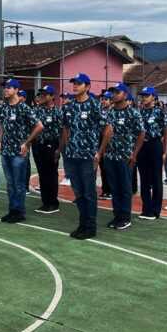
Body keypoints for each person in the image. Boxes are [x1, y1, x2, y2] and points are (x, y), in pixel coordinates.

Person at [59, 73, 108, 239]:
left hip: (88, 156)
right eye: (74, 83)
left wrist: (99, 151)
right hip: (72, 155)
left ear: (87, 86)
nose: (75, 86)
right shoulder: (68, 106)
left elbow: (108, 129)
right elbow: (65, 128)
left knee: (89, 192)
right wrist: (65, 147)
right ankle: (82, 223)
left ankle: (90, 226)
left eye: (79, 84)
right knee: (78, 192)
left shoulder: (95, 105)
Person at [100, 83, 144, 230]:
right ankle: (117, 216)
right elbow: (106, 133)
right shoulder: (110, 112)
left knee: (125, 188)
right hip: (110, 156)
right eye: (112, 92)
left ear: (125, 95)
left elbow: (141, 133)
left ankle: (125, 218)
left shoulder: (133, 113)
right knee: (114, 187)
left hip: (125, 156)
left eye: (117, 92)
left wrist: (134, 154)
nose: (113, 95)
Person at [0, 79, 43, 223]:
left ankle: (19, 212)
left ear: (17, 90)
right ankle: (12, 210)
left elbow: (39, 126)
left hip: (18, 153)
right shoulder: (4, 108)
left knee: (18, 184)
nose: (6, 89)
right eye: (5, 87)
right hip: (6, 151)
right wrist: (0, 140)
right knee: (10, 184)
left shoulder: (24, 108)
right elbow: (2, 125)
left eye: (9, 87)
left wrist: (27, 142)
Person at [137, 86, 167, 218]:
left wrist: (165, 151)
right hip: (142, 146)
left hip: (155, 144)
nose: (143, 98)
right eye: (142, 95)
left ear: (154, 97)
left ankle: (156, 210)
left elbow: (166, 132)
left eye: (146, 95)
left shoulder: (160, 112)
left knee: (156, 178)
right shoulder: (138, 112)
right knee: (144, 179)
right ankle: (146, 209)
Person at [32, 85, 62, 213]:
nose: (41, 97)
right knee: (42, 174)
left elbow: (62, 132)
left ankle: (53, 203)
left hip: (51, 145)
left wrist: (59, 149)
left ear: (52, 97)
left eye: (45, 95)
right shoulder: (37, 110)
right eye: (40, 95)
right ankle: (45, 202)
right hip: (38, 145)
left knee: (51, 174)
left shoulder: (57, 112)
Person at [18, 89, 33, 193]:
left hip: (25, 140)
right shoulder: (15, 108)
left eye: (20, 96)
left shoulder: (27, 109)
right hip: (16, 140)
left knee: (25, 163)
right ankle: (20, 185)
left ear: (24, 98)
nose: (18, 97)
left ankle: (26, 186)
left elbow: (34, 126)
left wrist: (28, 141)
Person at [99, 91, 113, 200]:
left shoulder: (113, 112)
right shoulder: (100, 111)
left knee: (109, 167)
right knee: (102, 166)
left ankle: (111, 190)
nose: (103, 101)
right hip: (100, 140)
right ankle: (105, 190)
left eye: (106, 99)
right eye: (102, 99)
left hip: (110, 142)